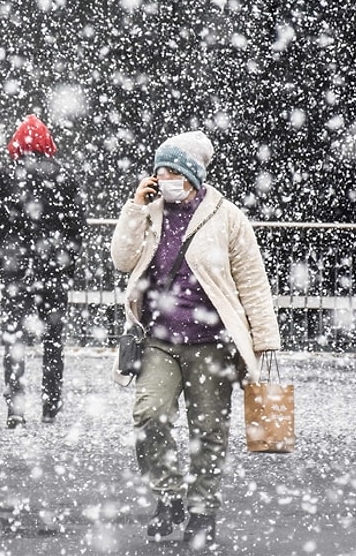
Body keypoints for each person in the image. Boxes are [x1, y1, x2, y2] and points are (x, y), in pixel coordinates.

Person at [109, 130, 281, 547]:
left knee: (208, 431)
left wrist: (264, 341)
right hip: (159, 339)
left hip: (211, 343)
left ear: (192, 174)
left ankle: (203, 512)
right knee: (149, 415)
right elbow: (121, 259)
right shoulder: (150, 213)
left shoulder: (227, 217)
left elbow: (252, 282)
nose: (164, 179)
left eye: (171, 171)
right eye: (158, 172)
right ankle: (168, 496)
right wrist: (134, 207)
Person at [0, 114, 86, 428]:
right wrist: (68, 262)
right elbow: (76, 228)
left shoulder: (4, 176)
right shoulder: (64, 176)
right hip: (53, 269)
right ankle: (50, 405)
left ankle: (15, 407)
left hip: (16, 270)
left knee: (14, 339)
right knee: (53, 340)